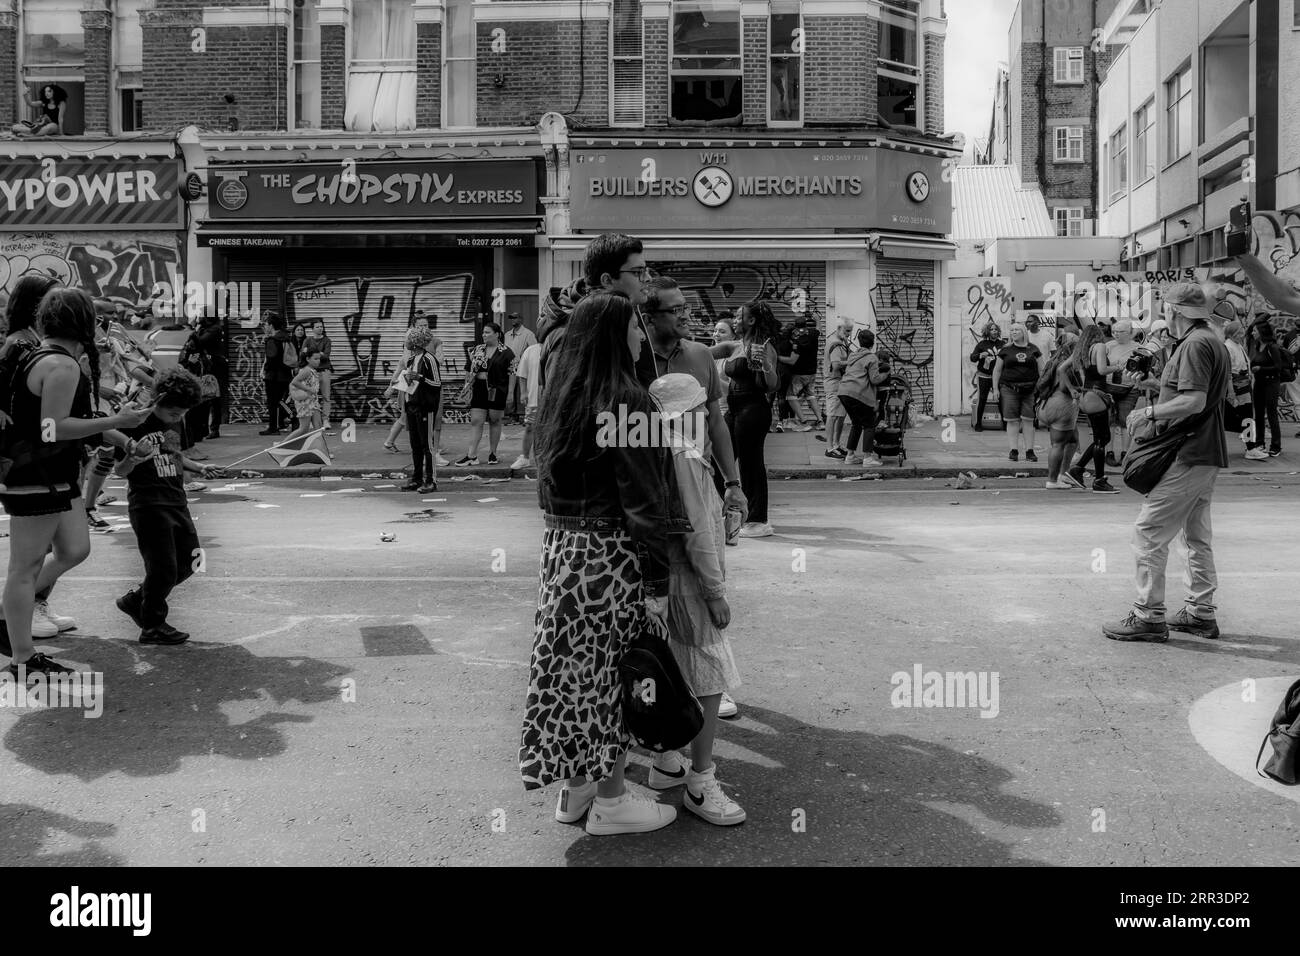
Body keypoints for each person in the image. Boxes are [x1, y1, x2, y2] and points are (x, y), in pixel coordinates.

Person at [520, 291, 689, 835]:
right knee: (616, 675)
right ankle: (612, 803)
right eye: (636, 328)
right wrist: (657, 582)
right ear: (618, 336)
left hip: (562, 554)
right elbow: (644, 501)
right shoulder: (627, 400)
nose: (643, 336)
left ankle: (576, 792)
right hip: (609, 558)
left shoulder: (561, 398)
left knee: (574, 674)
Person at [0, 289, 153, 678]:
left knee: (74, 548)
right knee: (24, 567)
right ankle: (21, 655)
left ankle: (15, 612)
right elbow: (54, 430)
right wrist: (117, 422)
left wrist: (122, 435)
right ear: (83, 322)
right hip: (37, 477)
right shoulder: (62, 366)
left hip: (53, 476)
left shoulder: (41, 354)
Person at [640, 276, 746, 716]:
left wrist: (733, 482)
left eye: (686, 307)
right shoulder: (633, 356)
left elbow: (716, 422)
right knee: (654, 597)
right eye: (676, 309)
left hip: (695, 485)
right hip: (645, 500)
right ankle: (662, 694)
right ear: (650, 316)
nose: (687, 315)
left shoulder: (701, 355)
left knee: (703, 580)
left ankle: (706, 680)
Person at [1103, 283, 1230, 643]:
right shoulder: (1209, 340)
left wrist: (1150, 411)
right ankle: (1200, 612)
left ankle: (1147, 616)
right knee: (1195, 537)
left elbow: (1193, 401)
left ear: (1172, 311)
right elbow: (1188, 392)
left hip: (1186, 452)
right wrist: (1153, 384)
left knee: (1149, 532)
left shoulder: (1193, 344)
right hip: (1205, 452)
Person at [644, 373, 745, 826]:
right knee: (708, 680)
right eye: (701, 408)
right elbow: (698, 534)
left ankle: (666, 763)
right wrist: (715, 592)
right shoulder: (684, 458)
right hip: (690, 584)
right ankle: (701, 782)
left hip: (668, 583)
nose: (708, 415)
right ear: (684, 413)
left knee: (672, 674)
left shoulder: (659, 450)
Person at [113, 368, 226, 645]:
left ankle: (136, 600)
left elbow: (173, 455)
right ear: (158, 401)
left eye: (183, 413)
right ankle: (152, 625)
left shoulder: (174, 421)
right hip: (149, 505)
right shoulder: (134, 423)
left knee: (190, 562)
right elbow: (120, 470)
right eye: (174, 413)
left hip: (177, 501)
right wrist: (134, 457)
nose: (179, 418)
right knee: (162, 569)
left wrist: (199, 467)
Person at [536, 234, 657, 391]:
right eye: (638, 272)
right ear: (607, 280)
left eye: (646, 270)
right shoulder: (571, 333)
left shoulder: (624, 313)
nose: (648, 278)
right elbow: (563, 408)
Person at [723, 300, 781, 538]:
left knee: (750, 463)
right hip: (734, 408)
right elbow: (701, 353)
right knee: (720, 457)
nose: (734, 320)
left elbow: (772, 385)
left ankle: (757, 520)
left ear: (751, 320)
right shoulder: (734, 346)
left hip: (753, 408)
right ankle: (719, 512)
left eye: (738, 316)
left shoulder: (764, 346)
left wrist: (765, 364)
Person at [1064, 324, 1120, 494]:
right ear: (1099, 334)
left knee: (1101, 438)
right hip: (1097, 395)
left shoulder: (1083, 350)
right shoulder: (1100, 346)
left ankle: (1078, 469)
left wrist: (1072, 389)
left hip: (1086, 394)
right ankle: (1098, 481)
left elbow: (1062, 369)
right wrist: (1117, 367)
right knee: (1102, 439)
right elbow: (1103, 370)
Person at [454, 322, 513, 466]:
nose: (484, 335)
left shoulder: (506, 352)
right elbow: (468, 369)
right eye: (483, 332)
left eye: (487, 332)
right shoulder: (477, 349)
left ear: (497, 334)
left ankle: (493, 453)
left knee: (495, 420)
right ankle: (472, 455)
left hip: (497, 389)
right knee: (476, 421)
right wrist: (466, 386)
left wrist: (510, 392)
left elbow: (512, 373)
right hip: (479, 388)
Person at [837, 328, 890, 468]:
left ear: (859, 342)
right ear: (872, 344)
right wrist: (886, 374)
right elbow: (875, 379)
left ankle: (850, 456)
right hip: (858, 393)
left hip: (843, 392)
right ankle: (867, 458)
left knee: (856, 423)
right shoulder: (872, 357)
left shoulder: (852, 356)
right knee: (869, 424)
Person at [396, 328, 441, 492]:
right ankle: (416, 478)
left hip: (425, 408)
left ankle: (431, 480)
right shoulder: (411, 360)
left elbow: (437, 384)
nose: (405, 342)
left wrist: (419, 377)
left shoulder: (429, 359)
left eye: (406, 339)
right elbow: (408, 385)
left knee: (427, 446)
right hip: (412, 407)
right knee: (415, 445)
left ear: (415, 342)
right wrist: (402, 400)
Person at [1034, 339, 1082, 489]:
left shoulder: (1054, 359)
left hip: (1046, 405)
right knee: (1059, 444)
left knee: (1073, 439)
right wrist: (1079, 388)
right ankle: (1053, 480)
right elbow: (1063, 387)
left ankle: (1063, 475)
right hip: (1062, 406)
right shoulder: (1068, 363)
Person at [991, 321, 1041, 462]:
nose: (1013, 333)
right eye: (1011, 330)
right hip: (1009, 388)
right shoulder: (1005, 350)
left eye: (1017, 330)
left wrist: (1042, 389)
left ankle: (1030, 451)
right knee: (1012, 421)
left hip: (1030, 389)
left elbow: (1042, 370)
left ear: (1023, 332)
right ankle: (1013, 451)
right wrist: (995, 389)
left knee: (1028, 420)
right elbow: (997, 370)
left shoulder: (1034, 349)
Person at [1102, 319, 1140, 466]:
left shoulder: (1138, 348)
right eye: (1114, 331)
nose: (1116, 334)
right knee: (1109, 421)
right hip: (1108, 388)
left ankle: (1126, 453)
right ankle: (1109, 453)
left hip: (1129, 388)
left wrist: (1138, 384)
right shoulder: (1107, 346)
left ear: (1130, 333)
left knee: (1125, 420)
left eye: (1120, 331)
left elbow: (1143, 369)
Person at [1244, 319, 1284, 460]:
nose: (1253, 332)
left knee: (1272, 414)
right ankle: (1260, 443)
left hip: (1271, 383)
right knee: (1259, 414)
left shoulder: (1272, 347)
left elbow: (1278, 367)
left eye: (1255, 330)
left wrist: (1261, 368)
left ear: (1261, 332)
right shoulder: (1255, 345)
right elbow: (1247, 333)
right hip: (1259, 383)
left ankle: (1276, 446)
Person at [285, 349, 331, 458]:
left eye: (319, 359)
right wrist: (309, 390)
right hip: (305, 403)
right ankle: (283, 445)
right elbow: (294, 382)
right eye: (315, 359)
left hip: (313, 403)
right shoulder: (306, 370)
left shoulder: (313, 370)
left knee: (318, 427)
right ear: (308, 359)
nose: (318, 361)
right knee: (303, 428)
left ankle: (323, 452)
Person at [822, 318, 853, 456]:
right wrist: (851, 361)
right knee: (832, 415)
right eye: (847, 331)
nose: (849, 334)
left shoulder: (840, 342)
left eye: (850, 331)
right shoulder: (836, 344)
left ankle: (836, 444)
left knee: (840, 415)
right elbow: (835, 365)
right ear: (839, 328)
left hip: (840, 383)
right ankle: (830, 448)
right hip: (834, 382)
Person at [785, 315, 822, 430]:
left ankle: (803, 422)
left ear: (796, 327)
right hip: (812, 372)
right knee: (811, 395)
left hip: (799, 374)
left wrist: (777, 358)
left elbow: (792, 360)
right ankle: (820, 421)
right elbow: (819, 329)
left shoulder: (797, 341)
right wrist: (817, 319)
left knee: (790, 396)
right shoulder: (812, 334)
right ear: (806, 326)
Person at [511, 340, 542, 472]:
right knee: (530, 427)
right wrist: (523, 392)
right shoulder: (531, 350)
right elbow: (522, 374)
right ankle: (524, 457)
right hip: (534, 398)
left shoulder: (559, 347)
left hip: (553, 399)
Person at [260, 312, 293, 435]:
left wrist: (265, 371)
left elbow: (271, 358)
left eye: (266, 324)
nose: (265, 326)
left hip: (274, 376)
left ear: (271, 325)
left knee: (273, 403)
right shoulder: (286, 337)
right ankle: (284, 421)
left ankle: (273, 428)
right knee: (281, 401)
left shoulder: (272, 340)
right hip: (285, 375)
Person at [1222, 318, 1254, 440]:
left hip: (1243, 385)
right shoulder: (1228, 347)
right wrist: (1231, 392)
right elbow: (1228, 372)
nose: (1242, 335)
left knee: (1247, 415)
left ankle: (1250, 445)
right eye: (1239, 332)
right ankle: (1250, 446)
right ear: (1231, 334)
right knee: (1246, 415)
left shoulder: (1237, 345)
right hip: (1238, 386)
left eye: (1242, 332)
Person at [503, 313, 537, 422]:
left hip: (522, 366)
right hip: (509, 367)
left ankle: (526, 415)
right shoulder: (507, 335)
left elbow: (534, 350)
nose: (513, 320)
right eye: (511, 318)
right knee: (510, 390)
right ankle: (512, 415)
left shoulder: (528, 334)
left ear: (521, 319)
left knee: (523, 390)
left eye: (515, 317)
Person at [970, 321, 1002, 431]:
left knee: (1001, 399)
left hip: (998, 377)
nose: (994, 331)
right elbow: (972, 358)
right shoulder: (981, 344)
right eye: (992, 329)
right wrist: (979, 355)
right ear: (987, 332)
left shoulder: (1002, 344)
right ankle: (978, 423)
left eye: (996, 329)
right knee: (982, 399)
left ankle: (1005, 424)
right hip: (984, 376)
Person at [304, 320, 334, 428]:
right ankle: (312, 421)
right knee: (311, 397)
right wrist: (319, 353)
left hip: (324, 371)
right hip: (311, 372)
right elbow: (303, 354)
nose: (320, 328)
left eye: (321, 326)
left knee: (326, 397)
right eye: (317, 327)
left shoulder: (327, 340)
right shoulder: (307, 340)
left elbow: (326, 356)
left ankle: (325, 420)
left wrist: (312, 353)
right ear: (312, 329)